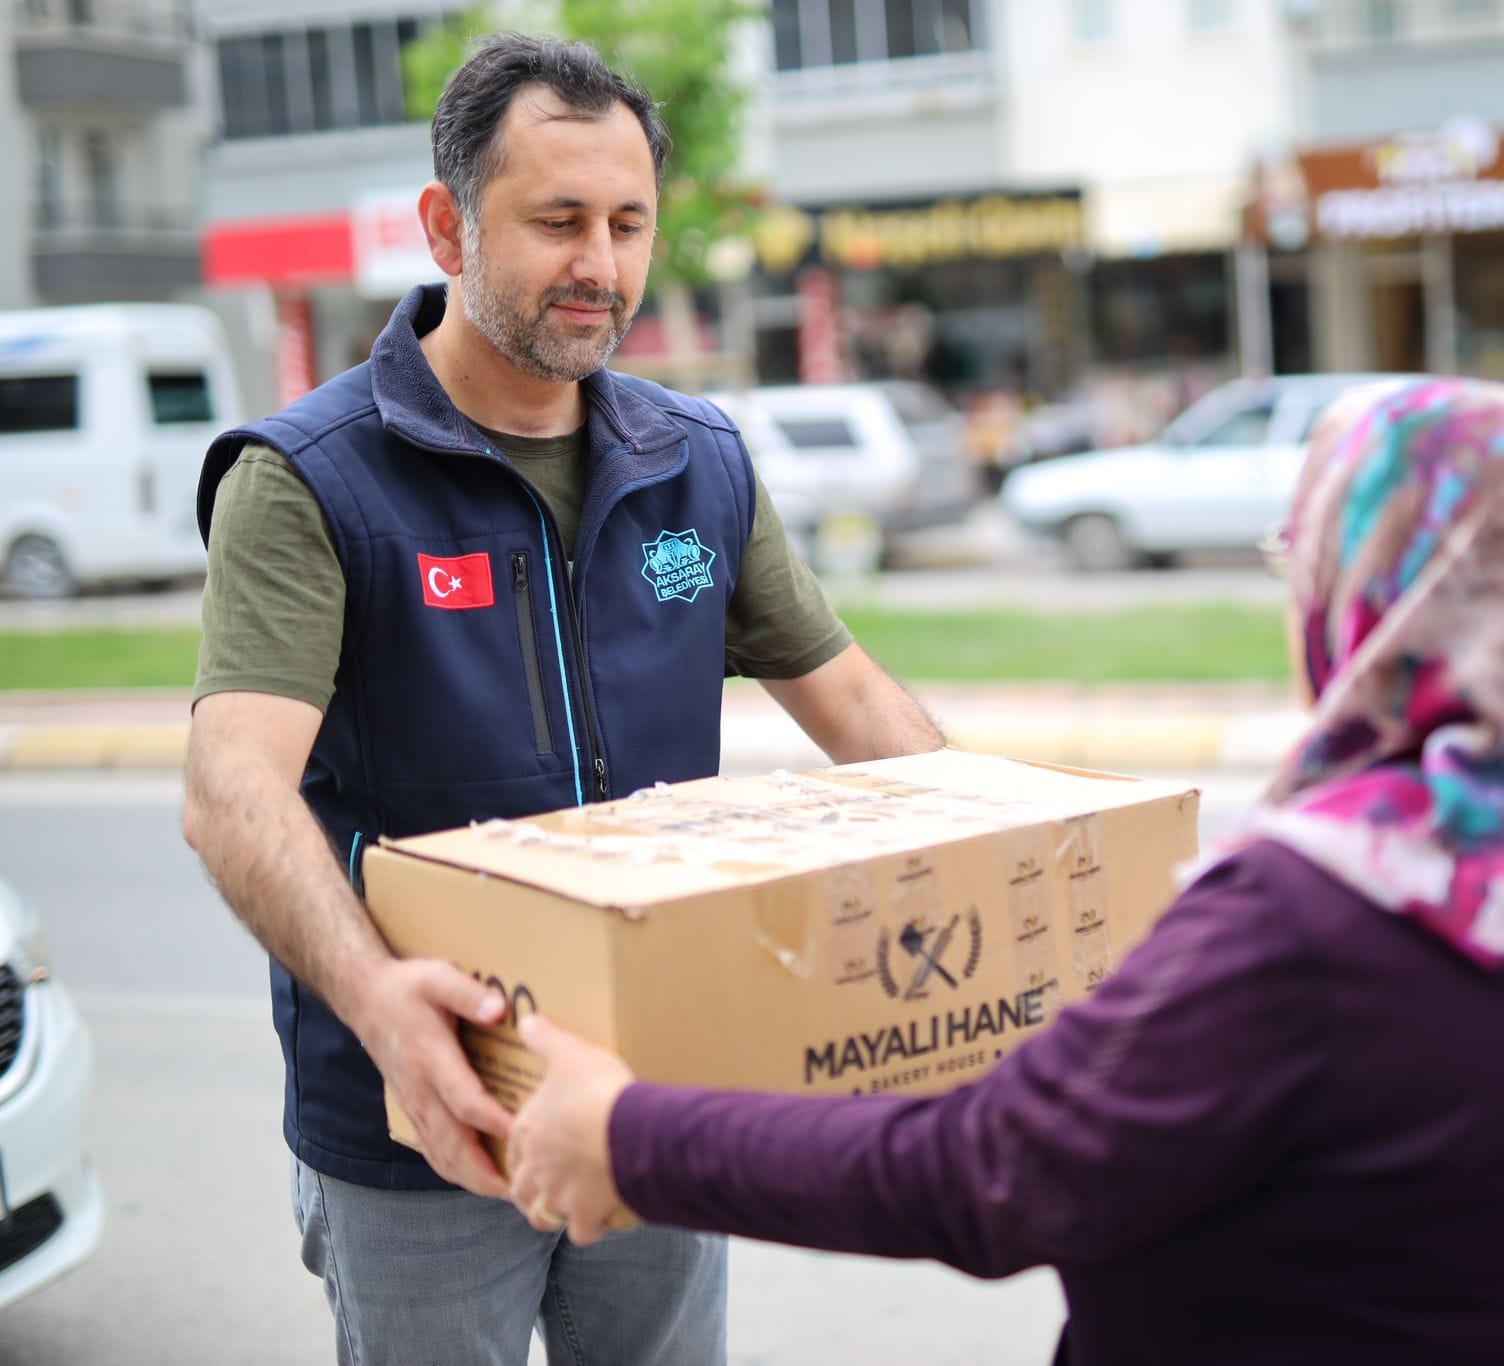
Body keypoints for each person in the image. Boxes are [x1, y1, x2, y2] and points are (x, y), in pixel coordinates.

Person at [504, 377, 1504, 1365]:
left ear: (1390, 595)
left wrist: (628, 1132)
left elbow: (987, 1173)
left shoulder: (1326, 917)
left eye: (1307, 562)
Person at [180, 33, 944, 1366]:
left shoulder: (693, 460)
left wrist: (996, 871)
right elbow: (231, 788)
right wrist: (380, 1009)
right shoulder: (309, 481)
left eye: (629, 222)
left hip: (653, 1089)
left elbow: (858, 697)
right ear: (446, 224)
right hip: (421, 1121)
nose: (602, 265)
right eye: (559, 221)